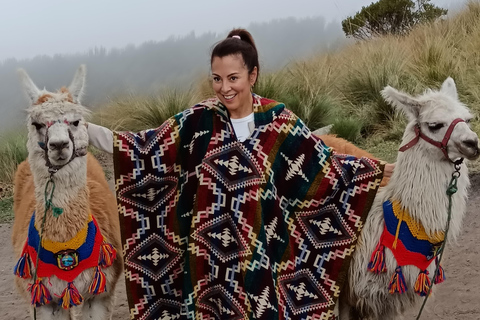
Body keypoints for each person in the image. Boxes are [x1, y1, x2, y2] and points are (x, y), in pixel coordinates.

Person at [88, 29, 391, 319]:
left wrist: (374, 170)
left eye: (233, 78)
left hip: (260, 256)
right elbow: (144, 147)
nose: (224, 88)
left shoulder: (278, 123)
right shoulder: (198, 120)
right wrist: (82, 128)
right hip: (205, 259)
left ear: (252, 75)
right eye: (217, 79)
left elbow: (323, 168)